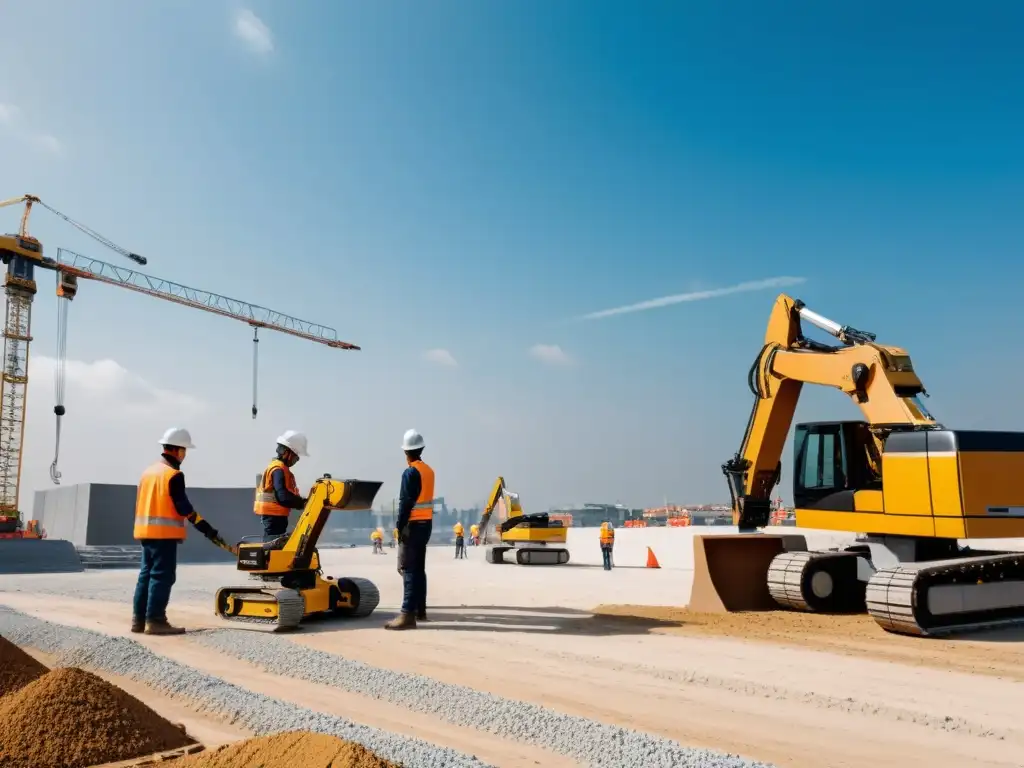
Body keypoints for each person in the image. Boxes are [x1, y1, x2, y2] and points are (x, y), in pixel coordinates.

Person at [132, 427, 231, 635]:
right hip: (164, 535)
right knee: (162, 576)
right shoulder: (173, 475)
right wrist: (207, 529)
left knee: (146, 576)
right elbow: (183, 507)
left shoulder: (148, 472)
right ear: (177, 451)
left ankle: (138, 621)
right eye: (184, 450)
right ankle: (156, 621)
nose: (185, 455)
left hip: (144, 533)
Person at [385, 428, 434, 630]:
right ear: (421, 449)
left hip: (412, 526)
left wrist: (399, 526)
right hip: (426, 524)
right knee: (419, 569)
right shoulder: (428, 470)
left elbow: (406, 502)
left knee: (409, 570)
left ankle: (407, 615)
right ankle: (420, 610)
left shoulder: (410, 472)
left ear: (406, 452)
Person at [253, 431, 309, 542]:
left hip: (275, 516)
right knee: (273, 545)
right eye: (295, 458)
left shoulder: (279, 468)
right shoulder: (278, 469)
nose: (295, 461)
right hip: (273, 517)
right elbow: (282, 496)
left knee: (275, 544)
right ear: (287, 452)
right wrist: (302, 503)